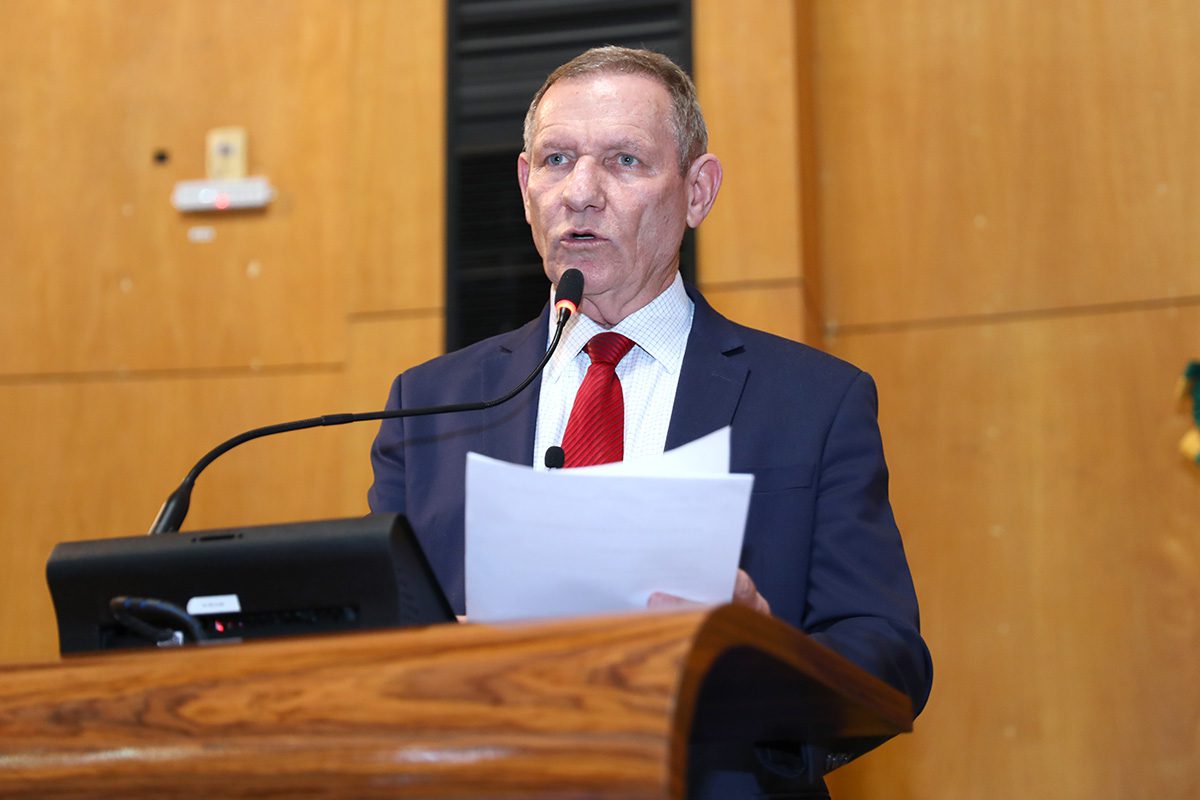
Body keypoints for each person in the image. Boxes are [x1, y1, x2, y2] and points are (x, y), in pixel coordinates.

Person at [369, 46, 932, 797]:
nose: (581, 192)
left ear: (697, 192)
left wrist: (764, 653)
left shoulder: (813, 403)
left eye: (626, 161)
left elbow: (886, 653)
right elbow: (375, 646)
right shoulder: (430, 405)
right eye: (557, 159)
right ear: (524, 184)